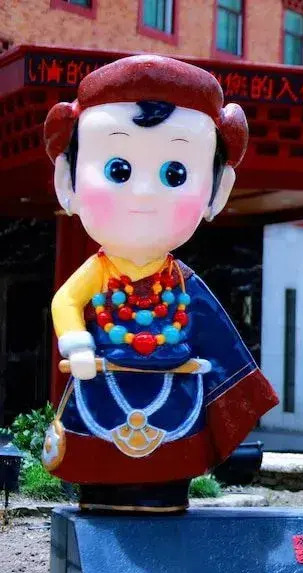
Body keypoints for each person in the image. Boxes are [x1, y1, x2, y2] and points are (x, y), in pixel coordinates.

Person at [41, 55, 279, 512]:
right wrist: (77, 344)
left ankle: (167, 490)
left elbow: (220, 342)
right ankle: (101, 492)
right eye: (118, 170)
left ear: (217, 191)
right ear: (67, 180)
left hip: (176, 388)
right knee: (99, 461)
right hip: (105, 380)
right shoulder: (99, 270)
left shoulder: (181, 282)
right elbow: (65, 301)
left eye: (175, 174)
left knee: (171, 465)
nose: (144, 193)